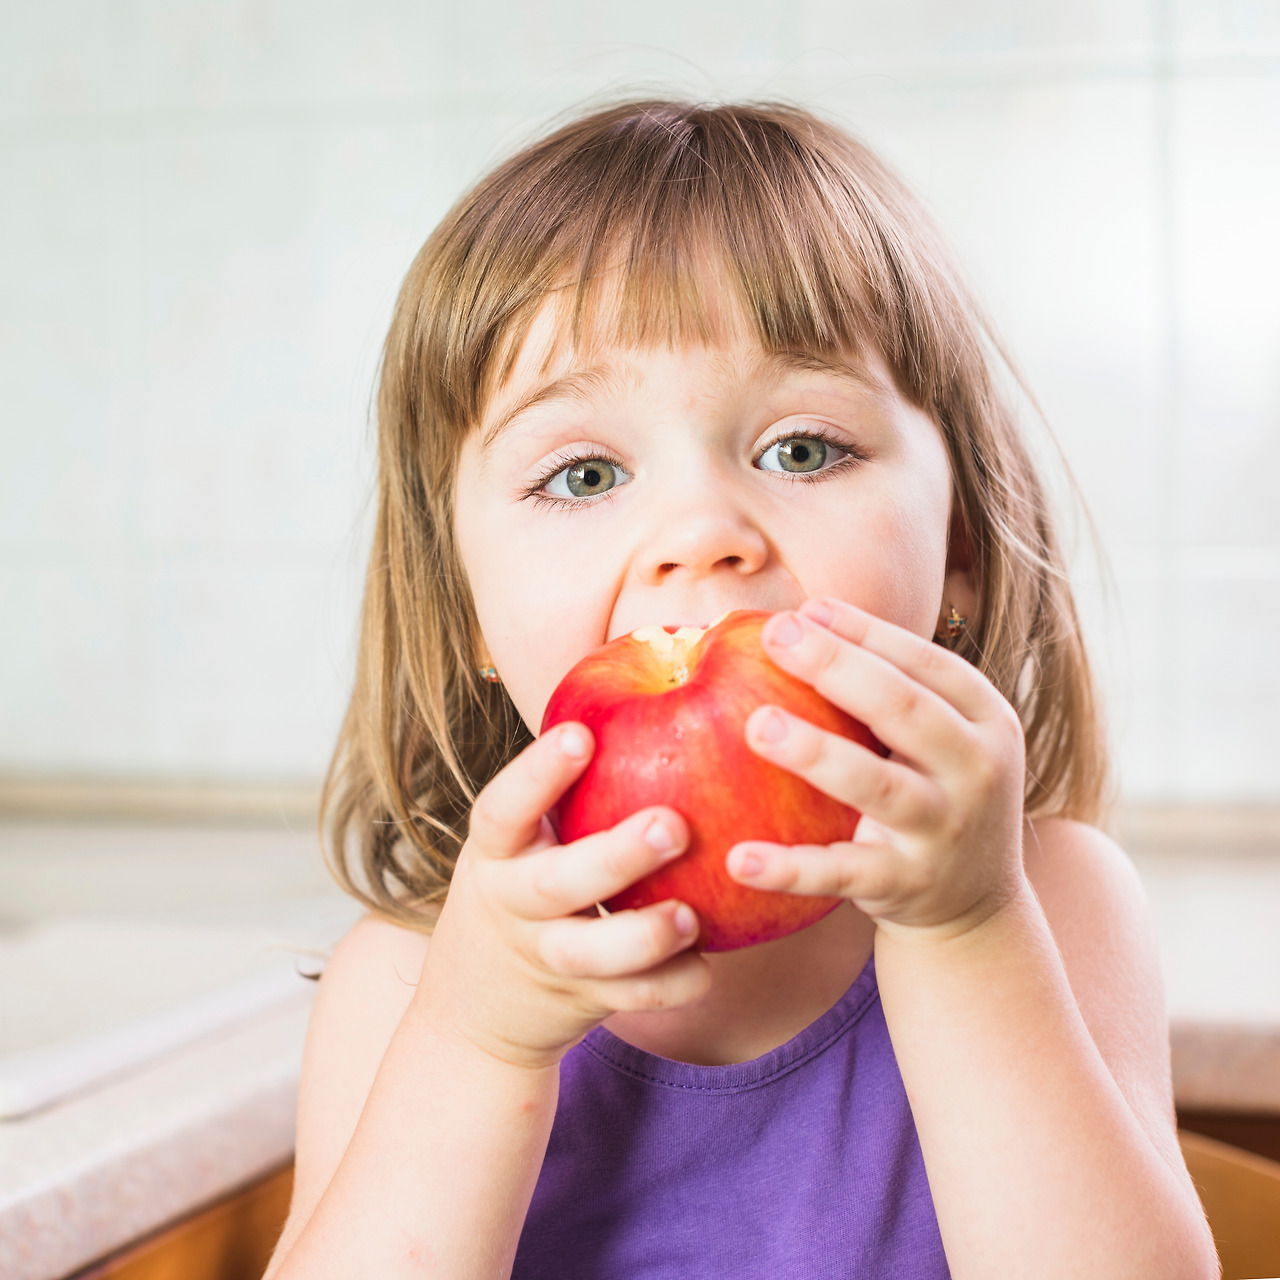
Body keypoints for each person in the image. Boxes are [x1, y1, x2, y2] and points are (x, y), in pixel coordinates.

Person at [264, 100, 1217, 1279]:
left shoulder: (1050, 900)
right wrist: (477, 1042)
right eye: (583, 472)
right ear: (465, 605)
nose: (702, 535)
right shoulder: (414, 977)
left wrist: (966, 930)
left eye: (801, 449)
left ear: (959, 547)